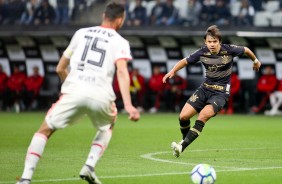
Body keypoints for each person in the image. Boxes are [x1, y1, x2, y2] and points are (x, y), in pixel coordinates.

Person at [16, 2, 140, 184]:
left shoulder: (81, 33)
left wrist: (73, 90)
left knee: (44, 130)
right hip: (101, 94)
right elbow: (122, 71)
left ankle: (26, 178)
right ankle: (89, 166)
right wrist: (128, 105)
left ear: (104, 15)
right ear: (120, 20)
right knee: (109, 125)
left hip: (74, 91)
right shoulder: (120, 42)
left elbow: (60, 68)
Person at [162, 25, 261, 158]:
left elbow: (247, 50)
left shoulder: (229, 50)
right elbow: (185, 61)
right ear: (205, 42)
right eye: (209, 42)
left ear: (219, 42)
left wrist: (255, 61)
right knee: (183, 117)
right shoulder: (202, 52)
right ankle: (184, 142)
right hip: (204, 89)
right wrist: (172, 71)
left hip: (220, 93)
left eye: (215, 41)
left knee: (202, 116)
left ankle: (182, 146)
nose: (212, 44)